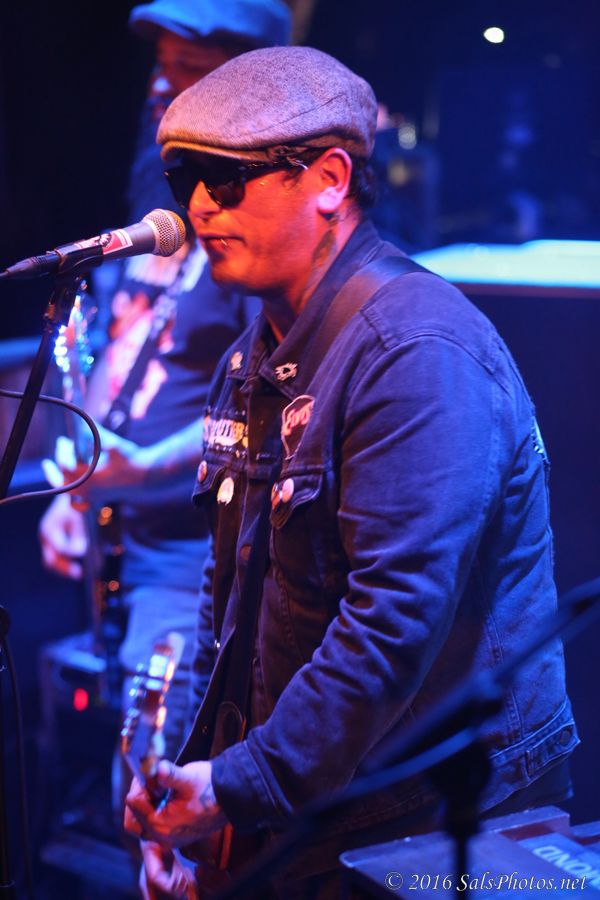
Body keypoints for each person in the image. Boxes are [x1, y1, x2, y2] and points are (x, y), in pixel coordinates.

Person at [124, 46, 579, 899]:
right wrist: (198, 793)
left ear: (330, 179)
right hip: (317, 809)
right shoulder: (253, 358)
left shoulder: (417, 351)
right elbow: (227, 607)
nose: (197, 205)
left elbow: (391, 623)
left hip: (436, 821)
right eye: (186, 178)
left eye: (228, 179)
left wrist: (232, 790)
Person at [38, 0, 291, 768]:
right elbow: (119, 351)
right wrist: (74, 493)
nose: (159, 86)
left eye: (188, 70)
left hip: (191, 557)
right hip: (119, 535)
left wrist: (145, 467)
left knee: (154, 779)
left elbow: (273, 403)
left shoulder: (254, 246)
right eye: (161, 66)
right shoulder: (158, 214)